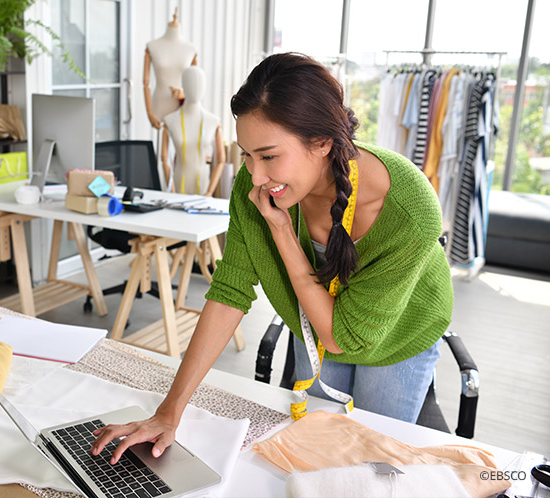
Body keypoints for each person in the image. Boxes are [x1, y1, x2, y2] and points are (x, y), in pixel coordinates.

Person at [91, 52, 454, 464]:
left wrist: (283, 233)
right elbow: (229, 291)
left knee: (375, 467)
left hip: (396, 339)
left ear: (322, 143)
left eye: (268, 155)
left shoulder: (408, 210)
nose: (254, 175)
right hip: (316, 327)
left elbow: (343, 337)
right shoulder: (259, 184)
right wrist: (168, 413)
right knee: (317, 456)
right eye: (246, 154)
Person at [161, 66, 225, 196]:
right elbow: (164, 158)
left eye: (199, 84)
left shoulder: (213, 121)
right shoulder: (170, 121)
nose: (195, 88)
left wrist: (210, 191)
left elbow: (221, 160)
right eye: (190, 84)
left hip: (204, 187)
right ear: (184, 85)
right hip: (178, 186)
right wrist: (171, 190)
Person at [143, 9, 198, 129]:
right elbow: (146, 83)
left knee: (181, 143)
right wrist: (150, 113)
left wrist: (183, 93)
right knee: (160, 142)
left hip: (182, 106)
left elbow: (195, 84)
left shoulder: (191, 49)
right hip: (159, 105)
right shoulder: (152, 46)